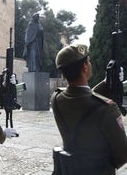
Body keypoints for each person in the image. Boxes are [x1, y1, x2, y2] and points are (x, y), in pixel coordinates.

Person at [51, 44, 127, 174]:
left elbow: (83, 99)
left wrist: (106, 82)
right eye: (89, 61)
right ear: (85, 67)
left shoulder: (56, 98)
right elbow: (122, 156)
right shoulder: (108, 109)